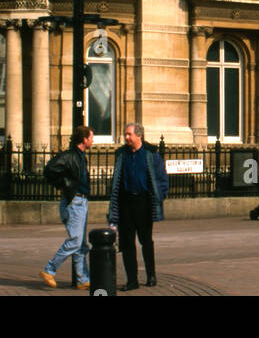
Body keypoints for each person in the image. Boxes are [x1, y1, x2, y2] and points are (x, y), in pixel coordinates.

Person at [108, 122, 169, 290]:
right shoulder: (121, 154)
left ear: (139, 135)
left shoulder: (150, 152)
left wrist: (161, 194)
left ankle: (151, 275)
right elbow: (116, 179)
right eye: (125, 134)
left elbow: (161, 176)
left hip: (144, 202)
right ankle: (132, 280)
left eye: (129, 134)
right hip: (126, 202)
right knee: (127, 243)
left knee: (146, 241)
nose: (126, 137)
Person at [41, 125, 94, 289]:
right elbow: (49, 169)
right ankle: (49, 269)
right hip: (74, 202)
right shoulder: (70, 155)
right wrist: (62, 184)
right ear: (84, 139)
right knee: (75, 241)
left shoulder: (80, 156)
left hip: (81, 201)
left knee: (80, 244)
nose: (93, 140)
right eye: (91, 137)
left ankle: (82, 279)